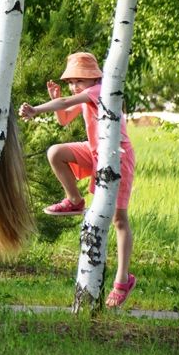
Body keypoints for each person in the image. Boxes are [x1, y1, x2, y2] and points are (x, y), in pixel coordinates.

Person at [18, 52, 137, 308]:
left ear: (93, 77)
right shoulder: (86, 95)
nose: (74, 86)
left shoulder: (100, 90)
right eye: (71, 82)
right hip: (95, 151)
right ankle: (74, 199)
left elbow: (64, 104)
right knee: (55, 153)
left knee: (118, 219)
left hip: (118, 155)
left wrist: (36, 109)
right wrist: (55, 99)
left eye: (78, 81)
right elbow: (64, 118)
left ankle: (123, 279)